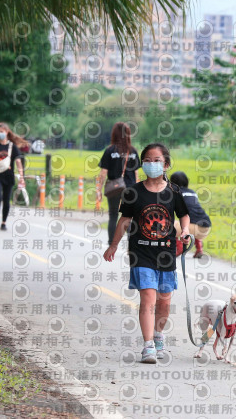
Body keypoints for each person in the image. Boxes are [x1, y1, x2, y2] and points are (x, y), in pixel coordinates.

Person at [103, 143, 190, 364]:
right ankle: (148, 345)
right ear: (142, 164)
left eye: (157, 160)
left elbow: (184, 215)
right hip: (141, 252)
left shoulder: (174, 191)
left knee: (164, 302)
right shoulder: (133, 192)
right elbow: (124, 220)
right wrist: (113, 245)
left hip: (166, 253)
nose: (152, 164)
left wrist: (185, 230)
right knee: (148, 297)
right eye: (148, 161)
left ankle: (159, 335)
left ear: (166, 164)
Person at [96, 122, 141, 246]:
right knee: (129, 217)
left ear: (114, 134)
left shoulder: (110, 150)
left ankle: (112, 245)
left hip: (114, 188)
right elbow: (136, 174)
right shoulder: (133, 151)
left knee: (113, 215)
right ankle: (132, 246)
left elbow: (103, 173)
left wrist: (98, 190)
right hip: (131, 188)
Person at [0, 123, 27, 231]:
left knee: (6, 200)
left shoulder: (12, 146)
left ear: (7, 132)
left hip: (8, 176)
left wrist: (21, 177)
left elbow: (18, 162)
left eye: (1, 132)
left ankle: (4, 222)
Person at [170, 171, 211, 258]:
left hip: (192, 227)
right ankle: (199, 249)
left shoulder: (175, 193)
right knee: (192, 221)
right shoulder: (192, 192)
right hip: (206, 227)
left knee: (169, 224)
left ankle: (179, 248)